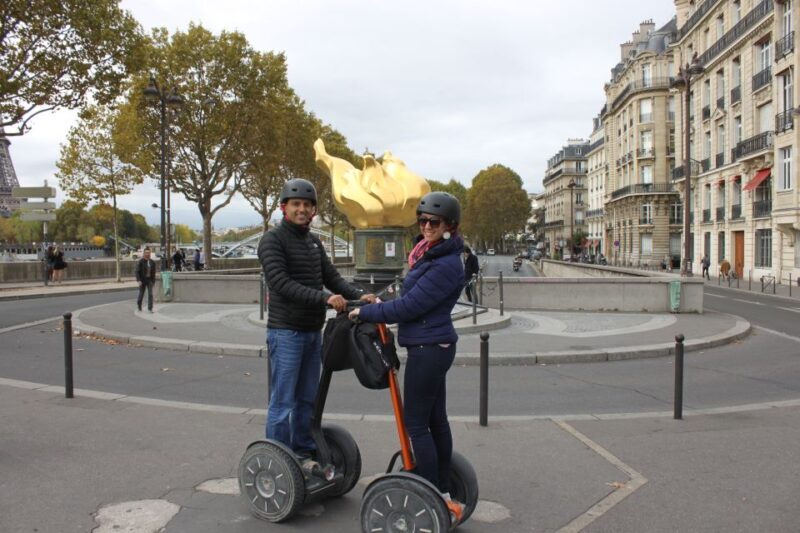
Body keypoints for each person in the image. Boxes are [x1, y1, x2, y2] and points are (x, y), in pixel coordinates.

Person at [348, 191, 466, 519]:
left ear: (450, 226)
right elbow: (407, 293)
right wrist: (379, 302)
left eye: (434, 222)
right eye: (423, 220)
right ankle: (441, 486)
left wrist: (367, 314)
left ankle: (430, 491)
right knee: (435, 420)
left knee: (417, 423)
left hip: (429, 348)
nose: (426, 226)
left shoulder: (443, 264)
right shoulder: (430, 254)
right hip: (433, 345)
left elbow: (411, 306)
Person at [258, 178, 375, 465]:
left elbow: (332, 277)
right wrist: (325, 298)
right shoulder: (272, 240)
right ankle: (277, 459)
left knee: (307, 399)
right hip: (286, 333)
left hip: (312, 333)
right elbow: (281, 283)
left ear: (313, 211)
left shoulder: (313, 242)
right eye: (296, 204)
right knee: (283, 402)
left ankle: (302, 451)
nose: (302, 209)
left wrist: (361, 295)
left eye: (307, 205)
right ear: (284, 208)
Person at [135, 247, 157, 312]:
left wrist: (153, 281)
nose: (148, 254)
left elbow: (153, 273)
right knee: (141, 294)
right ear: (144, 253)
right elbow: (137, 271)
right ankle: (139, 305)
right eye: (146, 253)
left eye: (149, 253)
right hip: (142, 280)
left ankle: (150, 308)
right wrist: (138, 280)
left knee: (150, 294)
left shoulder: (152, 262)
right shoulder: (140, 262)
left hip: (149, 280)